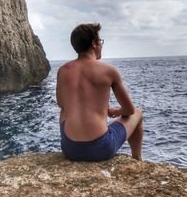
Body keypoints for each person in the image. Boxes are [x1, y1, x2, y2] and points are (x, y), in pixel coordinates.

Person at [56, 23, 143, 161]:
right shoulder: (108, 70)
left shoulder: (63, 70)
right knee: (137, 113)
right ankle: (137, 158)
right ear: (94, 44)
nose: (101, 45)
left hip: (70, 149)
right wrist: (114, 111)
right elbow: (129, 110)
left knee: (64, 111)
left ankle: (75, 138)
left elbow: (61, 104)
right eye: (100, 41)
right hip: (100, 149)